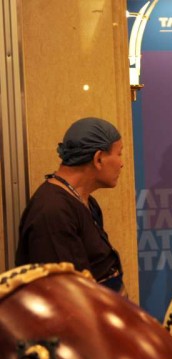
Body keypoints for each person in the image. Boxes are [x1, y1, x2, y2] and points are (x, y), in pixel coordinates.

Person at [16, 117, 127, 295]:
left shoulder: (86, 201)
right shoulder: (53, 212)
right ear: (98, 159)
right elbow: (62, 295)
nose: (122, 163)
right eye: (119, 153)